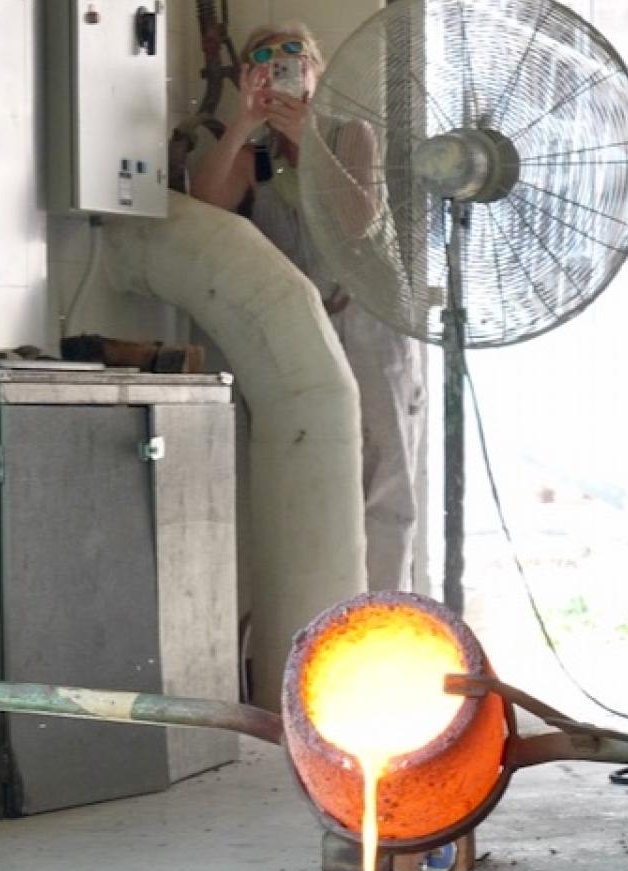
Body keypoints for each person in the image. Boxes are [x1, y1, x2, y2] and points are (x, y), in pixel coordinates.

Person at [188, 21, 426, 594]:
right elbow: (203, 208)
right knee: (308, 468)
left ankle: (387, 611)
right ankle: (321, 616)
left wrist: (311, 139)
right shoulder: (252, 157)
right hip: (297, 331)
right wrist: (243, 122)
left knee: (385, 472)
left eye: (296, 60)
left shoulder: (351, 137)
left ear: (317, 72)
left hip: (368, 320)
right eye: (266, 62)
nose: (284, 71)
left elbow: (356, 218)